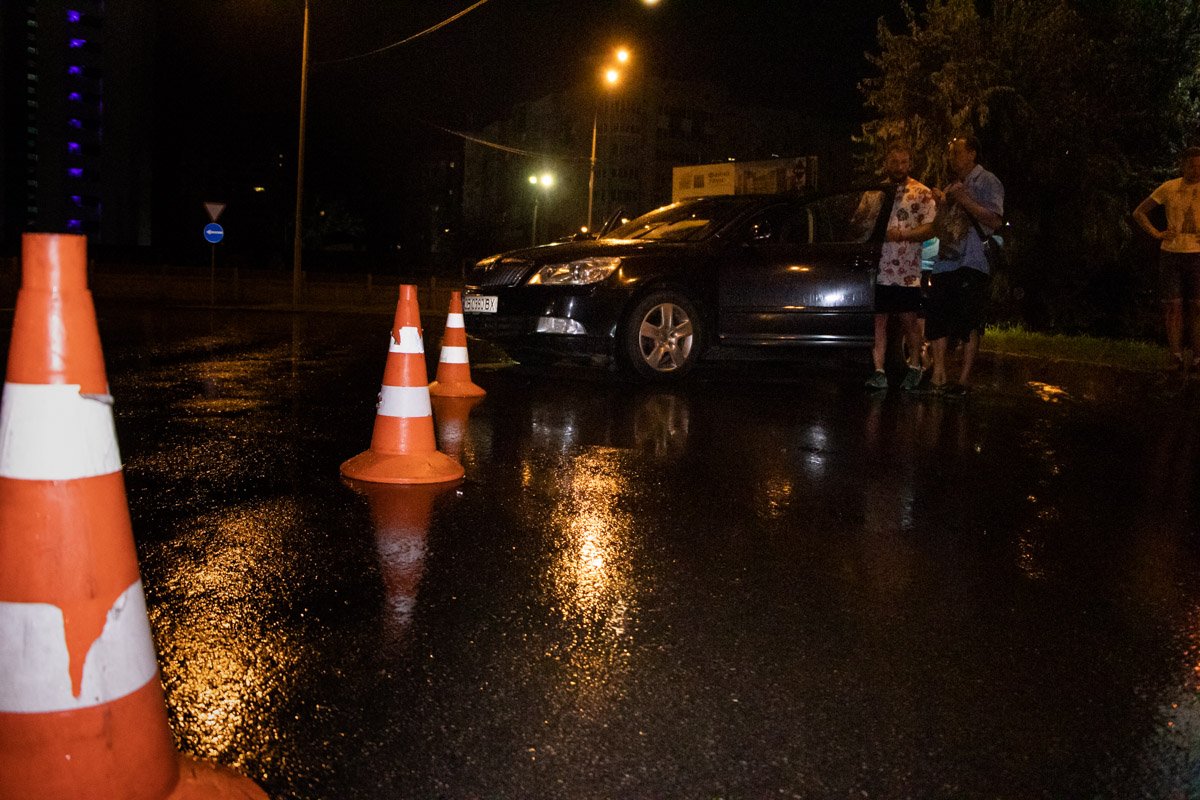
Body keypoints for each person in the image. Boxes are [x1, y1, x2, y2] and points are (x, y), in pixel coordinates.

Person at [923, 135, 1004, 396]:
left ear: (972, 154)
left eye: (957, 152)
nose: (952, 157)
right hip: (946, 261)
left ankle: (964, 381)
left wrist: (965, 199)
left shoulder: (987, 181)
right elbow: (939, 228)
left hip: (971, 260)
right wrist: (941, 204)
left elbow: (995, 221)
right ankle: (939, 375)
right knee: (937, 316)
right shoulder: (952, 186)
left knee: (968, 321)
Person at [864, 143, 936, 391]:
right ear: (886, 162)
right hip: (878, 269)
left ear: (909, 163)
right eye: (894, 162)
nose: (898, 167)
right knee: (879, 321)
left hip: (906, 271)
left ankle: (915, 366)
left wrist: (904, 234)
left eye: (903, 162)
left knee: (909, 320)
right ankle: (879, 371)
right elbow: (859, 222)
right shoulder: (874, 193)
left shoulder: (921, 193)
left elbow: (930, 227)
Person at [1132, 146, 1200, 370]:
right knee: (1174, 306)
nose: (1196, 169)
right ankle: (1176, 355)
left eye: (1199, 165)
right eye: (1191, 165)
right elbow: (1139, 212)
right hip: (1171, 254)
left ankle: (1198, 357)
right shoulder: (1169, 187)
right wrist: (1156, 233)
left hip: (1197, 255)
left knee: (1197, 307)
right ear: (1183, 165)